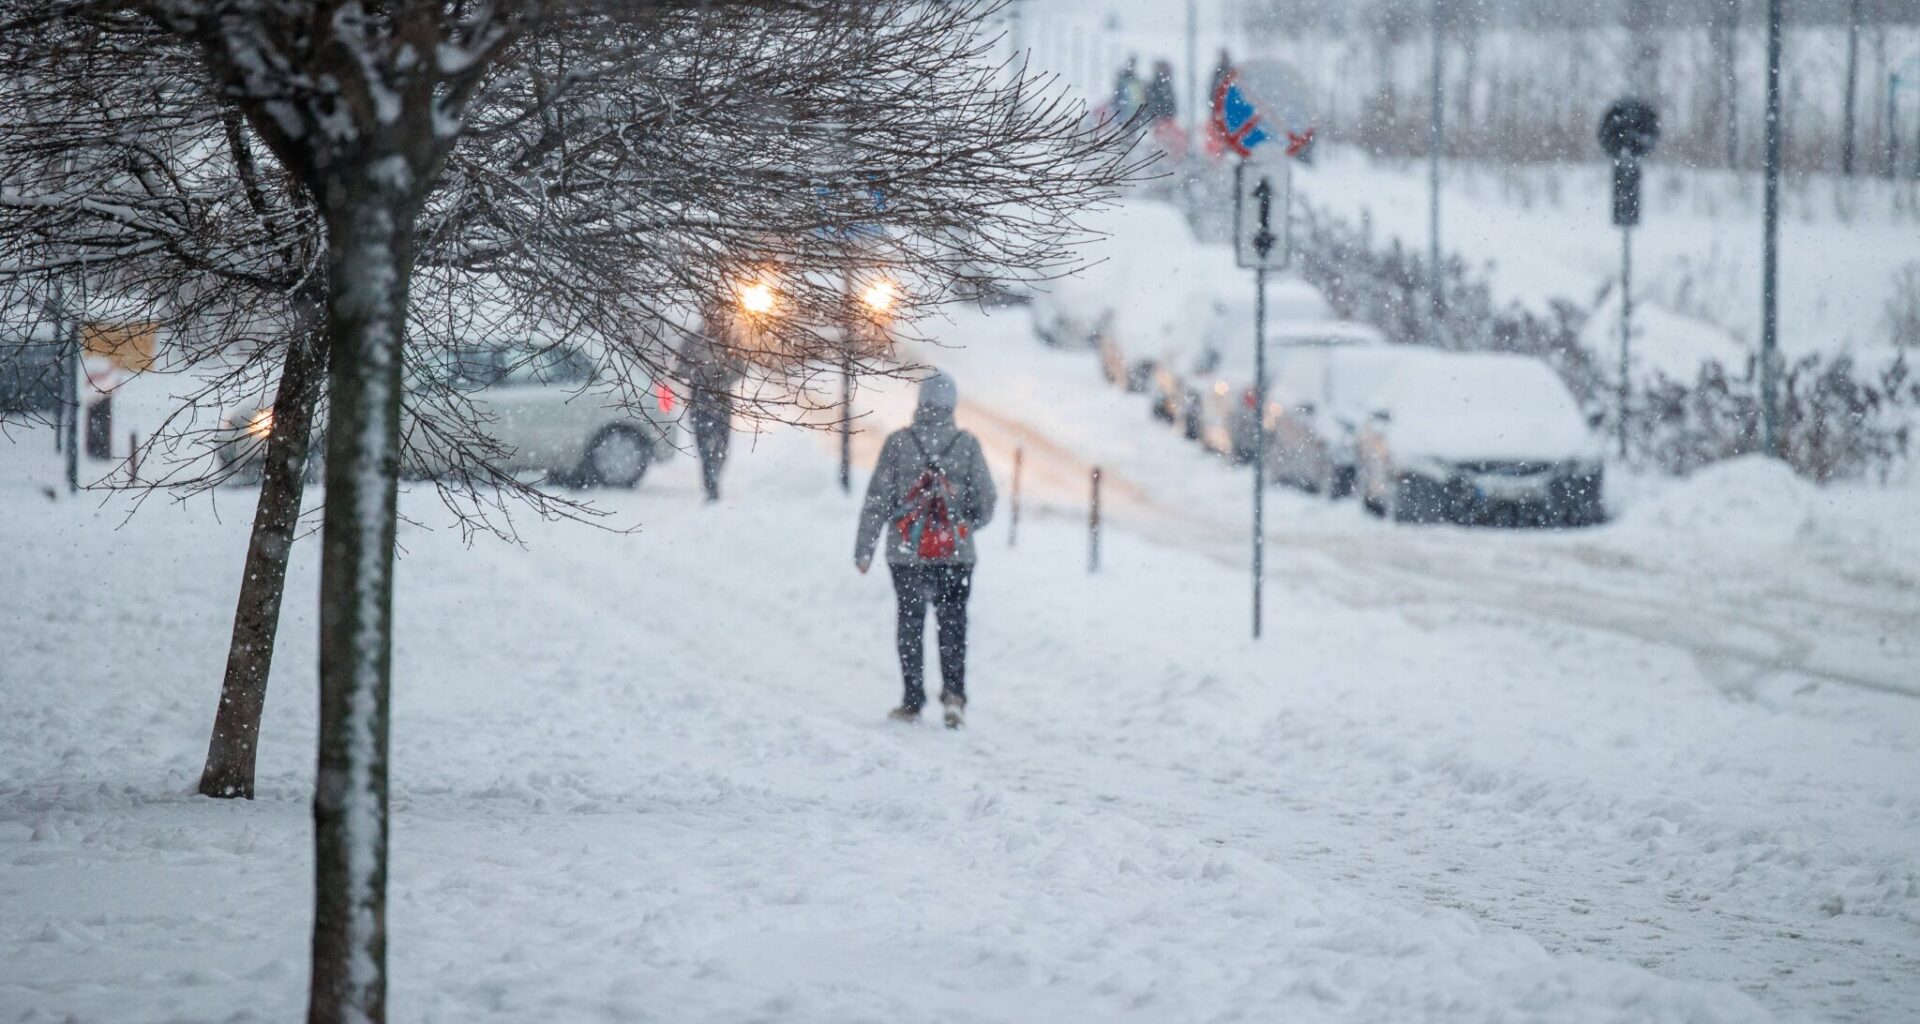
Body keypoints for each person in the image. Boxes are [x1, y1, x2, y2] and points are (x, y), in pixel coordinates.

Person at [854, 372, 996, 729]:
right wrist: (964, 525)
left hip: (907, 554)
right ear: (952, 405)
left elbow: (877, 500)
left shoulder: (899, 443)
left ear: (920, 402)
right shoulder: (966, 445)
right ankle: (953, 697)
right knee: (953, 626)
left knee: (910, 623)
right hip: (956, 555)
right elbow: (987, 500)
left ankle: (912, 700)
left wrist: (864, 548)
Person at [677, 318, 743, 503]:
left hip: (722, 401)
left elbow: (740, 368)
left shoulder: (729, 340)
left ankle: (715, 477)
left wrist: (722, 379)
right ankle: (710, 484)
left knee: (722, 445)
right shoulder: (693, 339)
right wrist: (700, 377)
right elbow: (681, 368)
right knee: (704, 446)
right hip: (700, 400)